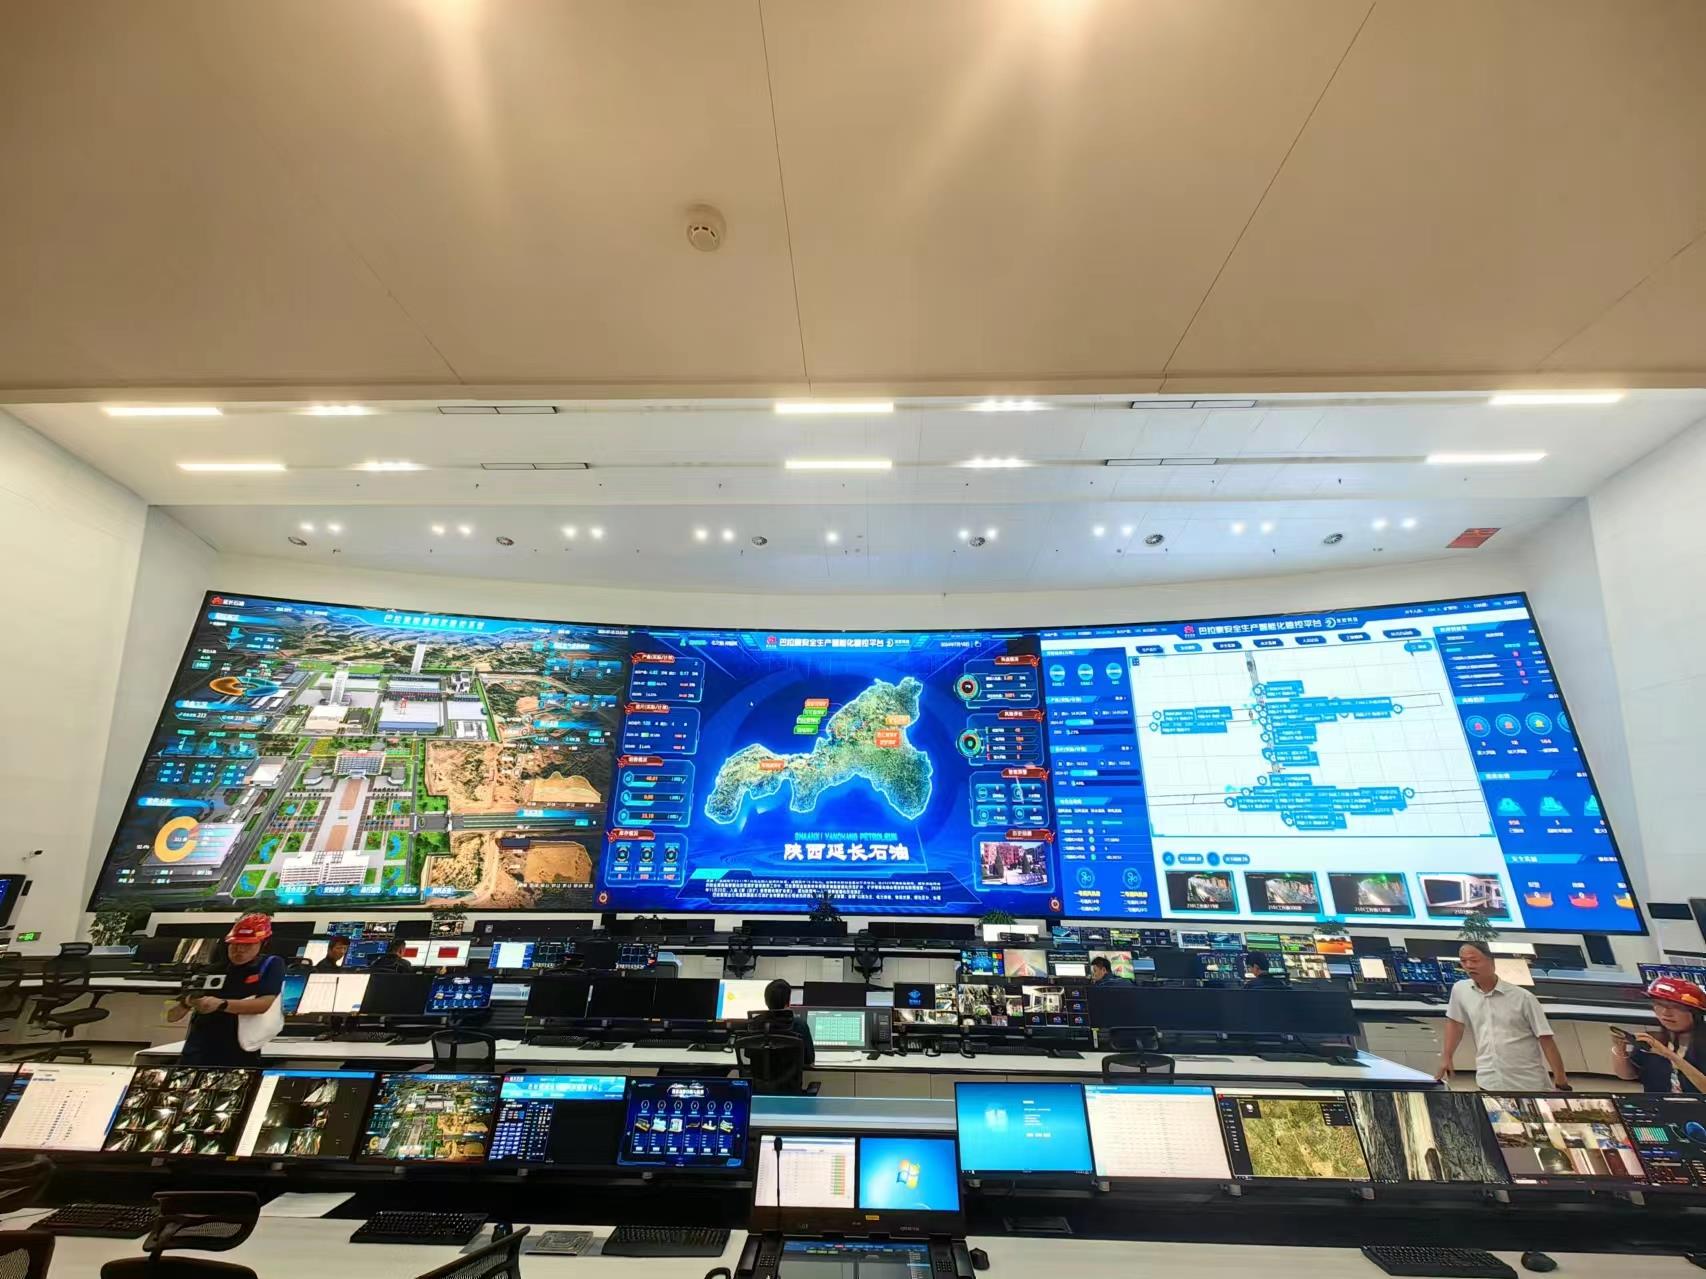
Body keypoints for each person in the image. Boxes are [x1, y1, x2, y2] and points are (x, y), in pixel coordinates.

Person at [1437, 940, 1570, 1091]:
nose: (1468, 966)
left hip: (1527, 1083)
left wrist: (1561, 1081)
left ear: (1492, 962)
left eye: (1474, 960)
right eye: (1463, 961)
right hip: (1488, 1079)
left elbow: (1545, 1039)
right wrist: (1447, 1056)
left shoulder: (1523, 998)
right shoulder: (1461, 990)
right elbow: (1455, 1023)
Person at [167, 913, 285, 1067]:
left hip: (240, 1048)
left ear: (263, 944)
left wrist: (221, 1004)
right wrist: (188, 1002)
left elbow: (264, 1004)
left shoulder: (270, 965)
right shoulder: (210, 970)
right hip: (198, 1048)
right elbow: (170, 1016)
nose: (239, 950)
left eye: (248, 945)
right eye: (235, 944)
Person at [1611, 976, 1706, 1093]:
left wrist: (1669, 1054)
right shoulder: (1651, 1041)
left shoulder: (1701, 1047)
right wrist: (1619, 1049)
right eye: (1659, 1004)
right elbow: (1628, 1075)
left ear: (1696, 1013)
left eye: (1676, 1007)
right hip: (1658, 1103)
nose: (1666, 1013)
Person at [748, 978, 815, 1067]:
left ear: (766, 1001)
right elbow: (809, 1059)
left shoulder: (754, 1023)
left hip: (759, 1075)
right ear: (789, 1002)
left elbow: (748, 1054)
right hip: (791, 1075)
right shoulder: (799, 1025)